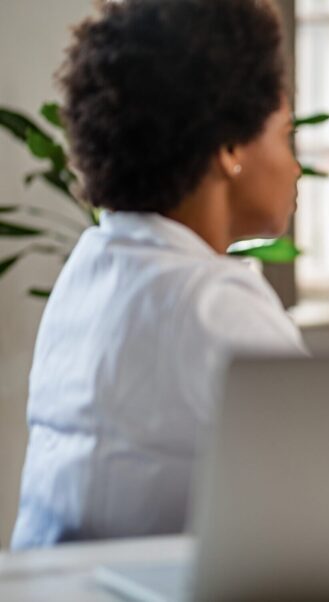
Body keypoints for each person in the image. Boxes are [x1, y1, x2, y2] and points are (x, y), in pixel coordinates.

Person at [11, 0, 306, 549]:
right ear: (229, 148)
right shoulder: (215, 305)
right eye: (285, 134)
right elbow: (324, 498)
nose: (294, 167)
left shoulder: (94, 266)